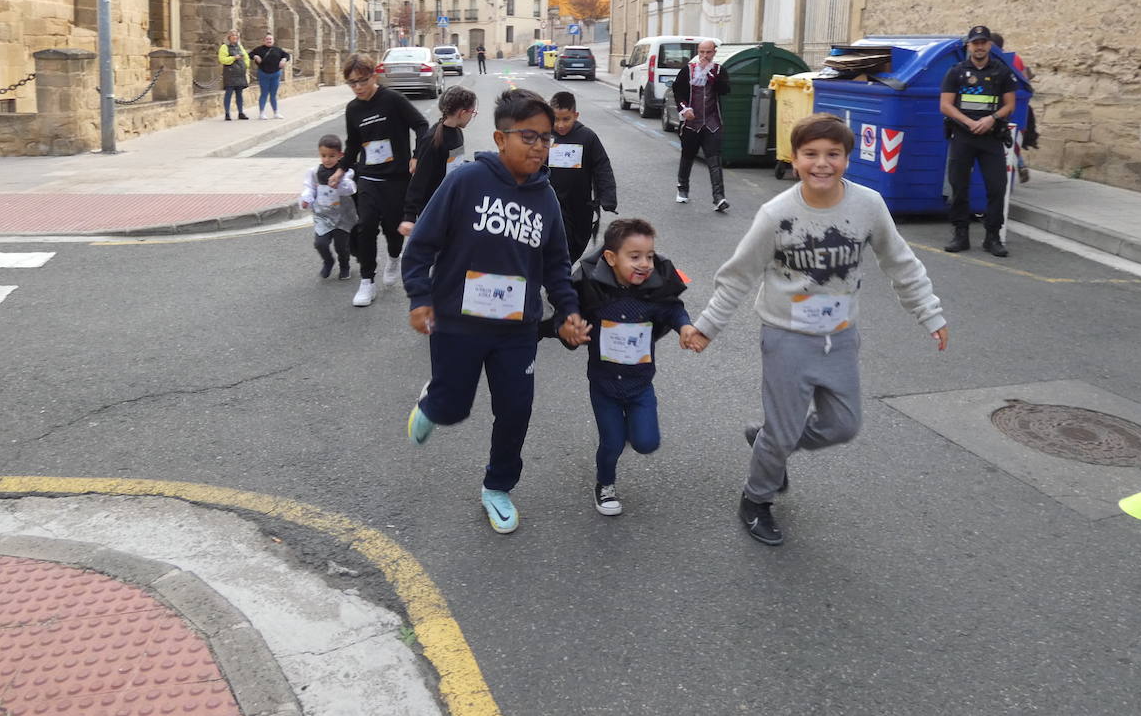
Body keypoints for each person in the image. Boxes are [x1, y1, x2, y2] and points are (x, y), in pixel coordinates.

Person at [684, 114, 948, 548]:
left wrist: (929, 313)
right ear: (795, 158)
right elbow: (737, 275)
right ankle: (756, 498)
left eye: (833, 155)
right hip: (786, 338)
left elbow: (899, 262)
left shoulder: (868, 205)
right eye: (811, 154)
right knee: (784, 431)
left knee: (844, 425)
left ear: (846, 158)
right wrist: (708, 326)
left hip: (841, 336)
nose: (822, 164)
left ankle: (766, 441)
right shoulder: (778, 214)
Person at [401, 88, 591, 535]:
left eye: (547, 139)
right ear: (500, 138)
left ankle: (497, 486)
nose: (540, 147)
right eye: (530, 137)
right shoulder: (465, 182)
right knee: (453, 409)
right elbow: (421, 245)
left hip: (516, 330)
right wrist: (419, 297)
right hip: (458, 324)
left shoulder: (546, 200)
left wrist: (568, 310)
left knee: (515, 410)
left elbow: (556, 265)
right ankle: (435, 404)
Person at [556, 218, 696, 516]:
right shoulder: (593, 292)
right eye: (634, 257)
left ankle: (634, 429)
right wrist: (569, 331)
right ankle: (605, 484)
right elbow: (567, 319)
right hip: (604, 385)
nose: (645, 264)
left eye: (649, 256)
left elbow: (673, 309)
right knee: (612, 442)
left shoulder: (653, 292)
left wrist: (685, 328)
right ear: (610, 258)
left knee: (646, 443)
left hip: (640, 385)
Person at [328, 53, 429, 307]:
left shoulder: (392, 100)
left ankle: (395, 257)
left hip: (396, 177)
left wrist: (417, 156)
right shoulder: (353, 109)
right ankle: (367, 281)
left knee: (394, 230)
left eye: (362, 80)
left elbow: (421, 124)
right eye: (352, 83)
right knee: (366, 228)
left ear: (374, 76)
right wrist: (341, 169)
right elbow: (353, 143)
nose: (358, 87)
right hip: (369, 177)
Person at [940, 25, 1018, 257]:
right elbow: (945, 105)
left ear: (989, 45)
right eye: (975, 43)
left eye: (983, 42)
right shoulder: (956, 71)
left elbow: (1010, 105)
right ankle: (960, 234)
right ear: (969, 45)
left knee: (997, 187)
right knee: (958, 186)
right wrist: (968, 122)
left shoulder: (1002, 72)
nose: (980, 46)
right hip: (963, 136)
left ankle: (992, 237)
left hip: (991, 137)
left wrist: (990, 119)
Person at [546, 91, 618, 263]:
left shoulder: (587, 137)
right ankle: (556, 281)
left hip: (579, 206)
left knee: (576, 245)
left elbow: (602, 167)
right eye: (556, 119)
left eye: (566, 119)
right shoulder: (544, 137)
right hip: (550, 203)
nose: (561, 125)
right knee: (558, 246)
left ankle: (560, 274)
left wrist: (608, 197)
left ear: (576, 115)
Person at [400, 85, 477, 236]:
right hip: (434, 208)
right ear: (462, 113)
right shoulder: (433, 140)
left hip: (451, 202)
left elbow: (452, 164)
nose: (472, 116)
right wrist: (409, 216)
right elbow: (419, 180)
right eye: (472, 112)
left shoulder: (457, 132)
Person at [670, 38, 731, 213]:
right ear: (698, 52)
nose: (704, 56)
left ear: (714, 53)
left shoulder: (719, 71)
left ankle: (719, 198)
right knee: (687, 156)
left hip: (712, 123)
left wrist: (711, 74)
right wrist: (684, 109)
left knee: (714, 160)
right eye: (702, 52)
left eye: (708, 52)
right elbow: (678, 91)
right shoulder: (687, 70)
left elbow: (725, 90)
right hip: (691, 124)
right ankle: (682, 187)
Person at [299, 133, 357, 280]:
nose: (327, 159)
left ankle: (344, 265)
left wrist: (340, 183)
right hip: (323, 215)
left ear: (340, 155)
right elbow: (310, 188)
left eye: (331, 156)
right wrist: (307, 198)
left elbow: (351, 189)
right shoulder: (314, 172)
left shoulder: (345, 173)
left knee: (341, 246)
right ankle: (328, 261)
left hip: (342, 216)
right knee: (320, 243)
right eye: (323, 155)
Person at [990, 31, 1037, 184]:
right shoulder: (1014, 58)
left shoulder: (992, 60)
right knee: (1013, 140)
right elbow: (1025, 81)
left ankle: (1008, 174)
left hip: (1000, 107)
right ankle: (1019, 166)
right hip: (1021, 106)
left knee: (1002, 141)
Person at [249, 32, 291, 120]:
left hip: (275, 74)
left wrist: (284, 59)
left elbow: (287, 55)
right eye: (267, 39)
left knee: (273, 94)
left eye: (270, 39)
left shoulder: (278, 49)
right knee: (264, 93)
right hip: (264, 73)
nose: (269, 41)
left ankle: (276, 112)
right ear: (264, 41)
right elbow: (250, 54)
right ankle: (262, 113)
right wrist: (256, 56)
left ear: (273, 41)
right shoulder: (259, 49)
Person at [217, 29, 250, 121]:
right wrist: (233, 58)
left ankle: (240, 112)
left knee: (239, 94)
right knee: (229, 93)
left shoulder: (240, 47)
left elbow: (246, 57)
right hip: (230, 74)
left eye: (236, 36)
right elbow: (222, 59)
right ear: (229, 37)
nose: (235, 37)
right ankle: (227, 113)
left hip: (240, 74)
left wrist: (245, 65)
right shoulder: (224, 47)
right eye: (233, 36)